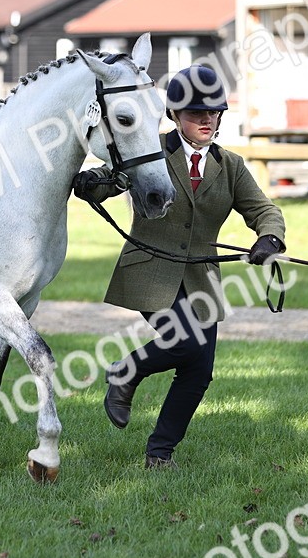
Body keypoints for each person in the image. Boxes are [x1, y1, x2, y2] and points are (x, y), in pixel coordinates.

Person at [72, 65, 286, 470]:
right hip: (150, 269)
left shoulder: (232, 166)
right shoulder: (150, 151)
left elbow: (264, 210)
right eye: (195, 113)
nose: (206, 120)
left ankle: (159, 453)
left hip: (201, 279)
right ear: (174, 115)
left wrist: (269, 238)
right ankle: (125, 372)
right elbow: (111, 179)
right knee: (187, 343)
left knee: (199, 370)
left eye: (213, 113)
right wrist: (90, 184)